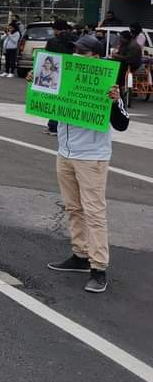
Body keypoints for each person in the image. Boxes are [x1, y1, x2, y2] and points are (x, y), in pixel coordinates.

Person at [42, 33, 129, 293]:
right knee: (72, 207)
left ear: (96, 56)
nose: (76, 55)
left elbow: (122, 124)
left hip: (92, 156)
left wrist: (114, 100)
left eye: (83, 52)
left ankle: (98, 267)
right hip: (65, 152)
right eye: (75, 51)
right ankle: (80, 253)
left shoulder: (107, 83)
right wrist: (36, 82)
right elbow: (45, 102)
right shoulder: (65, 77)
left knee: (94, 212)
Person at [44, 19, 76, 135]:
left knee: (55, 99)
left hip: (55, 72)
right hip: (71, 72)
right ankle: (62, 125)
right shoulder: (75, 39)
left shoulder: (52, 41)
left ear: (56, 29)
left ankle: (53, 125)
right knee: (66, 99)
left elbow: (47, 57)